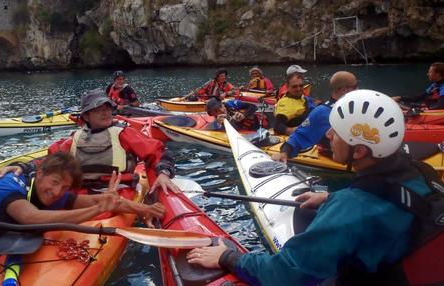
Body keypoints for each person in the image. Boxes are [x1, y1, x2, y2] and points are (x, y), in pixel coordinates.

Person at [186, 89, 444, 285]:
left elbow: (284, 274)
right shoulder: (422, 171)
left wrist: (227, 258)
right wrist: (329, 198)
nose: (329, 134)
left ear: (360, 150)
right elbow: (388, 200)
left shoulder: (351, 210)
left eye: (337, 131)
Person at [0, 152, 165, 246]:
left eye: (64, 187)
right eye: (55, 182)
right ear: (39, 174)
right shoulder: (8, 183)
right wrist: (97, 210)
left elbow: (101, 200)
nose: (57, 192)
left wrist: (144, 209)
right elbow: (30, 218)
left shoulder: (53, 194)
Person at [49, 89, 179, 194]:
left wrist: (164, 173)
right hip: (82, 195)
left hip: (120, 192)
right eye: (98, 110)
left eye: (107, 108)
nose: (105, 113)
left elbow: (158, 152)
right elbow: (50, 159)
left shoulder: (124, 134)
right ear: (86, 116)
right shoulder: (74, 140)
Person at [272, 71, 358, 162]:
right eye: (356, 86)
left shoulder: (307, 99)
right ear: (344, 89)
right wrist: (285, 150)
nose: (299, 89)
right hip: (310, 132)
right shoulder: (322, 112)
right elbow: (285, 130)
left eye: (301, 86)